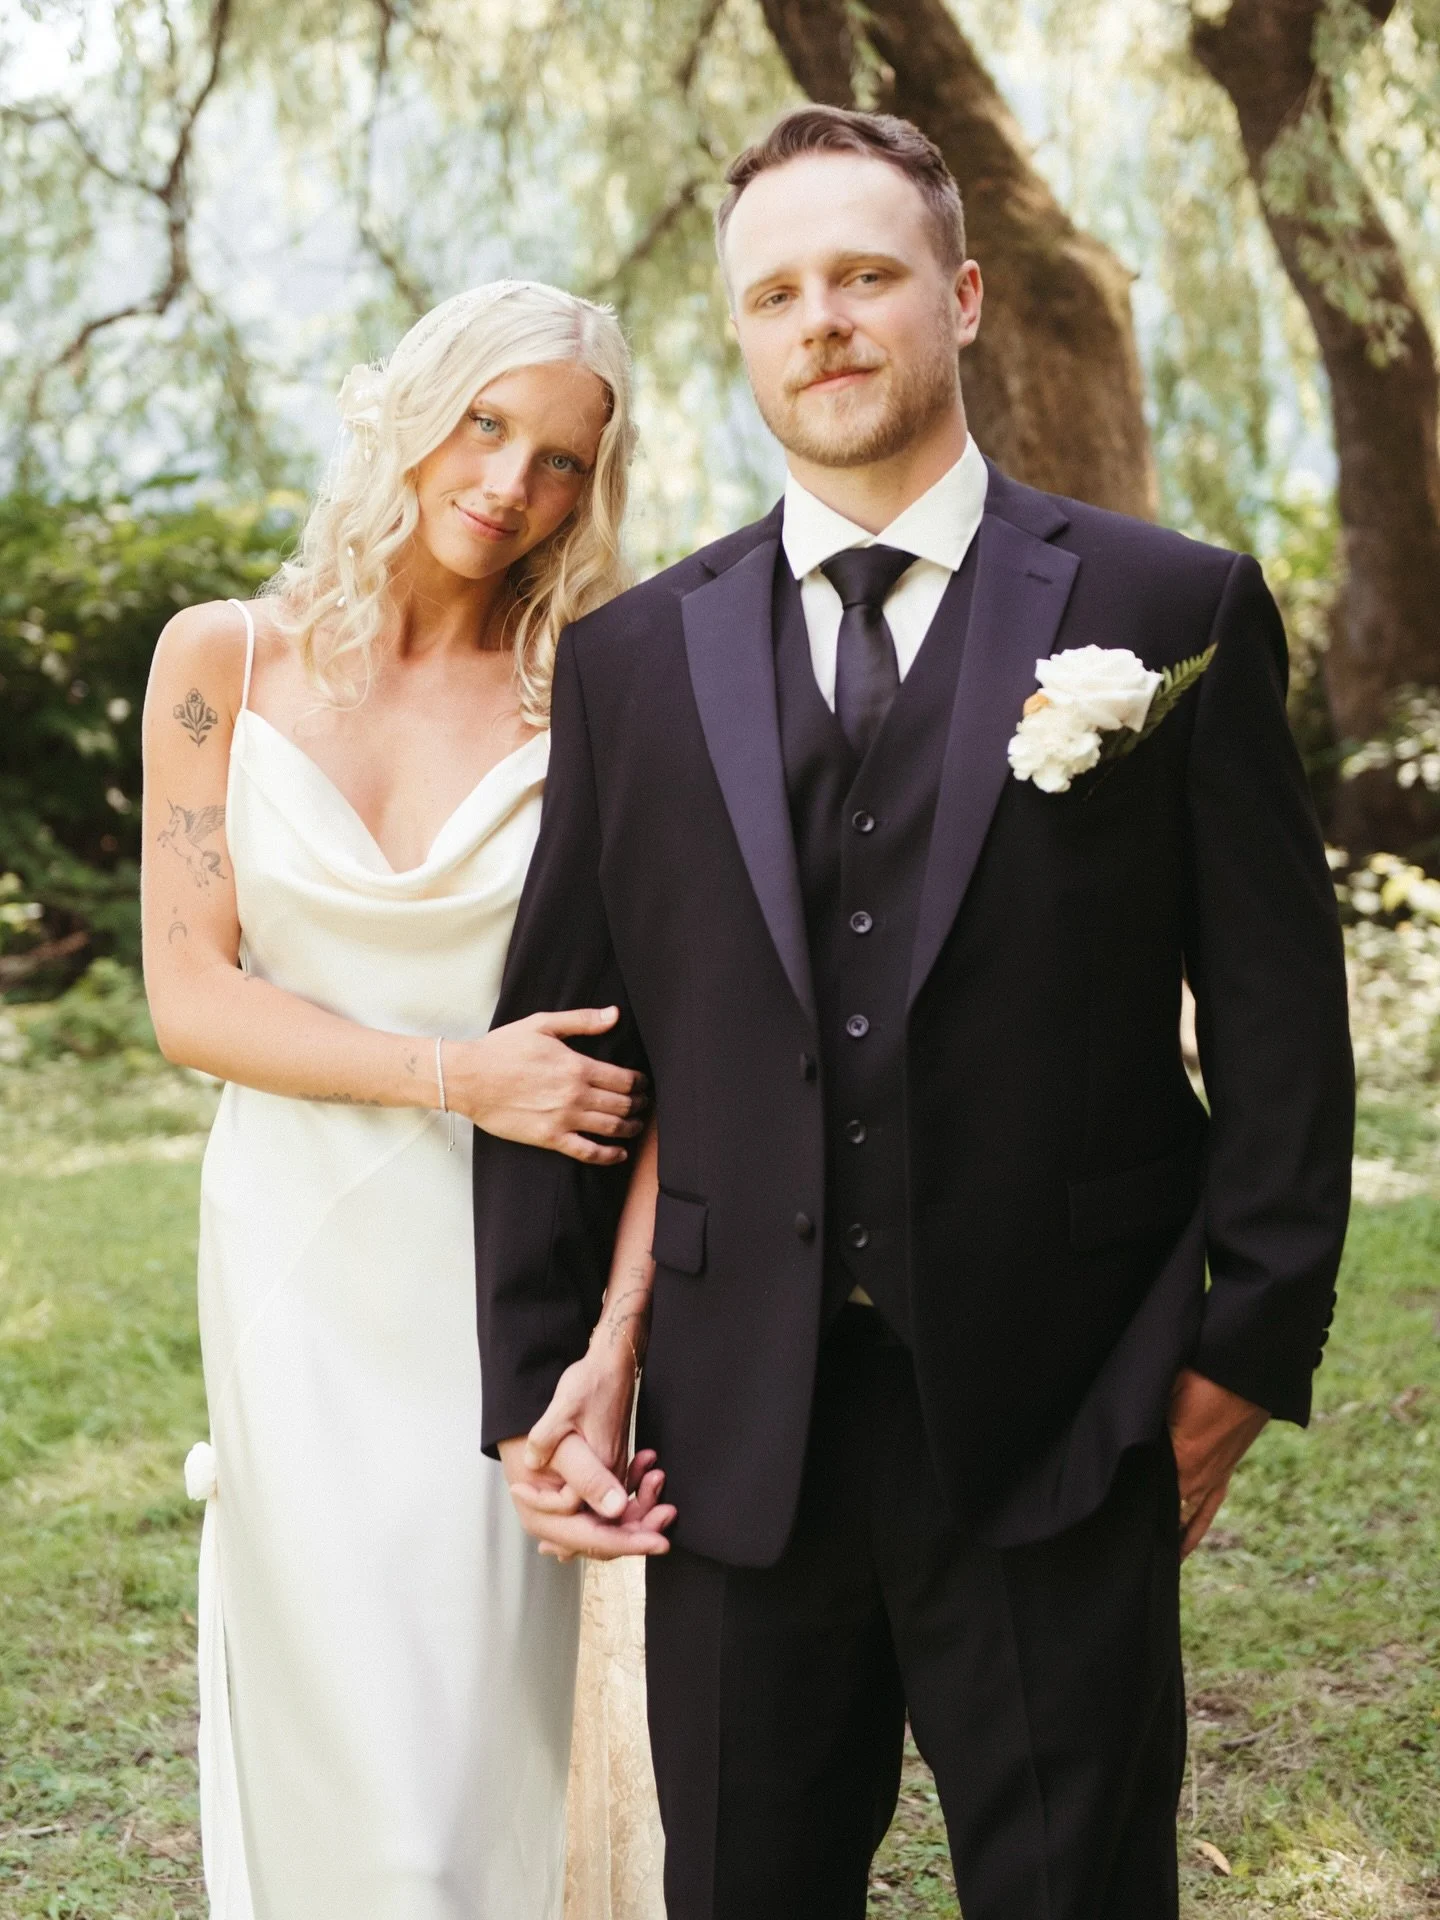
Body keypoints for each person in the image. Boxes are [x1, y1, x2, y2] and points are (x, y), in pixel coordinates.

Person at [474, 109, 1355, 1920]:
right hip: (733, 1441)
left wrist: (1233, 1367)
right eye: (778, 291)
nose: (826, 320)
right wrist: (533, 1386)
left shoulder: (1163, 604)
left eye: (866, 275)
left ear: (957, 297)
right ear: (741, 337)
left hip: (1067, 1412)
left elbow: (1281, 1025)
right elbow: (571, 1038)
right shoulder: (636, 662)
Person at [140, 280, 670, 1920]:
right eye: (485, 421)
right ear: (410, 411)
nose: (510, 480)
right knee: (337, 1745)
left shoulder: (593, 684)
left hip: (506, 1266)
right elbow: (192, 996)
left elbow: (669, 1026)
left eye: (563, 461)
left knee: (462, 1778)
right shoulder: (218, 660)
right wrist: (462, 1074)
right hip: (299, 1254)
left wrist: (613, 1321)